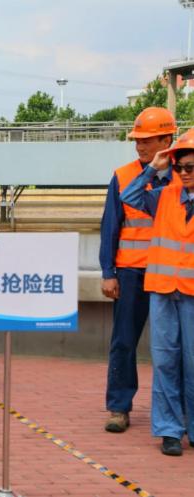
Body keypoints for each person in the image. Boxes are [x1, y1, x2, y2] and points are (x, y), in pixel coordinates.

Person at [99, 107, 178, 432]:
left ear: (167, 140)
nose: (140, 146)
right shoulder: (123, 176)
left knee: (174, 347)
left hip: (170, 274)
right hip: (131, 272)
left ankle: (178, 412)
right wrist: (108, 272)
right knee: (123, 341)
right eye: (138, 140)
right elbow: (110, 228)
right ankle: (119, 407)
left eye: (148, 140)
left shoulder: (183, 175)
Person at [119, 128, 194, 456]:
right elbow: (130, 197)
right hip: (163, 291)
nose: (184, 173)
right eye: (180, 168)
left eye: (190, 167)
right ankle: (169, 431)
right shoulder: (164, 195)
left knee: (192, 363)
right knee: (164, 361)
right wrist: (155, 167)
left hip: (191, 294)